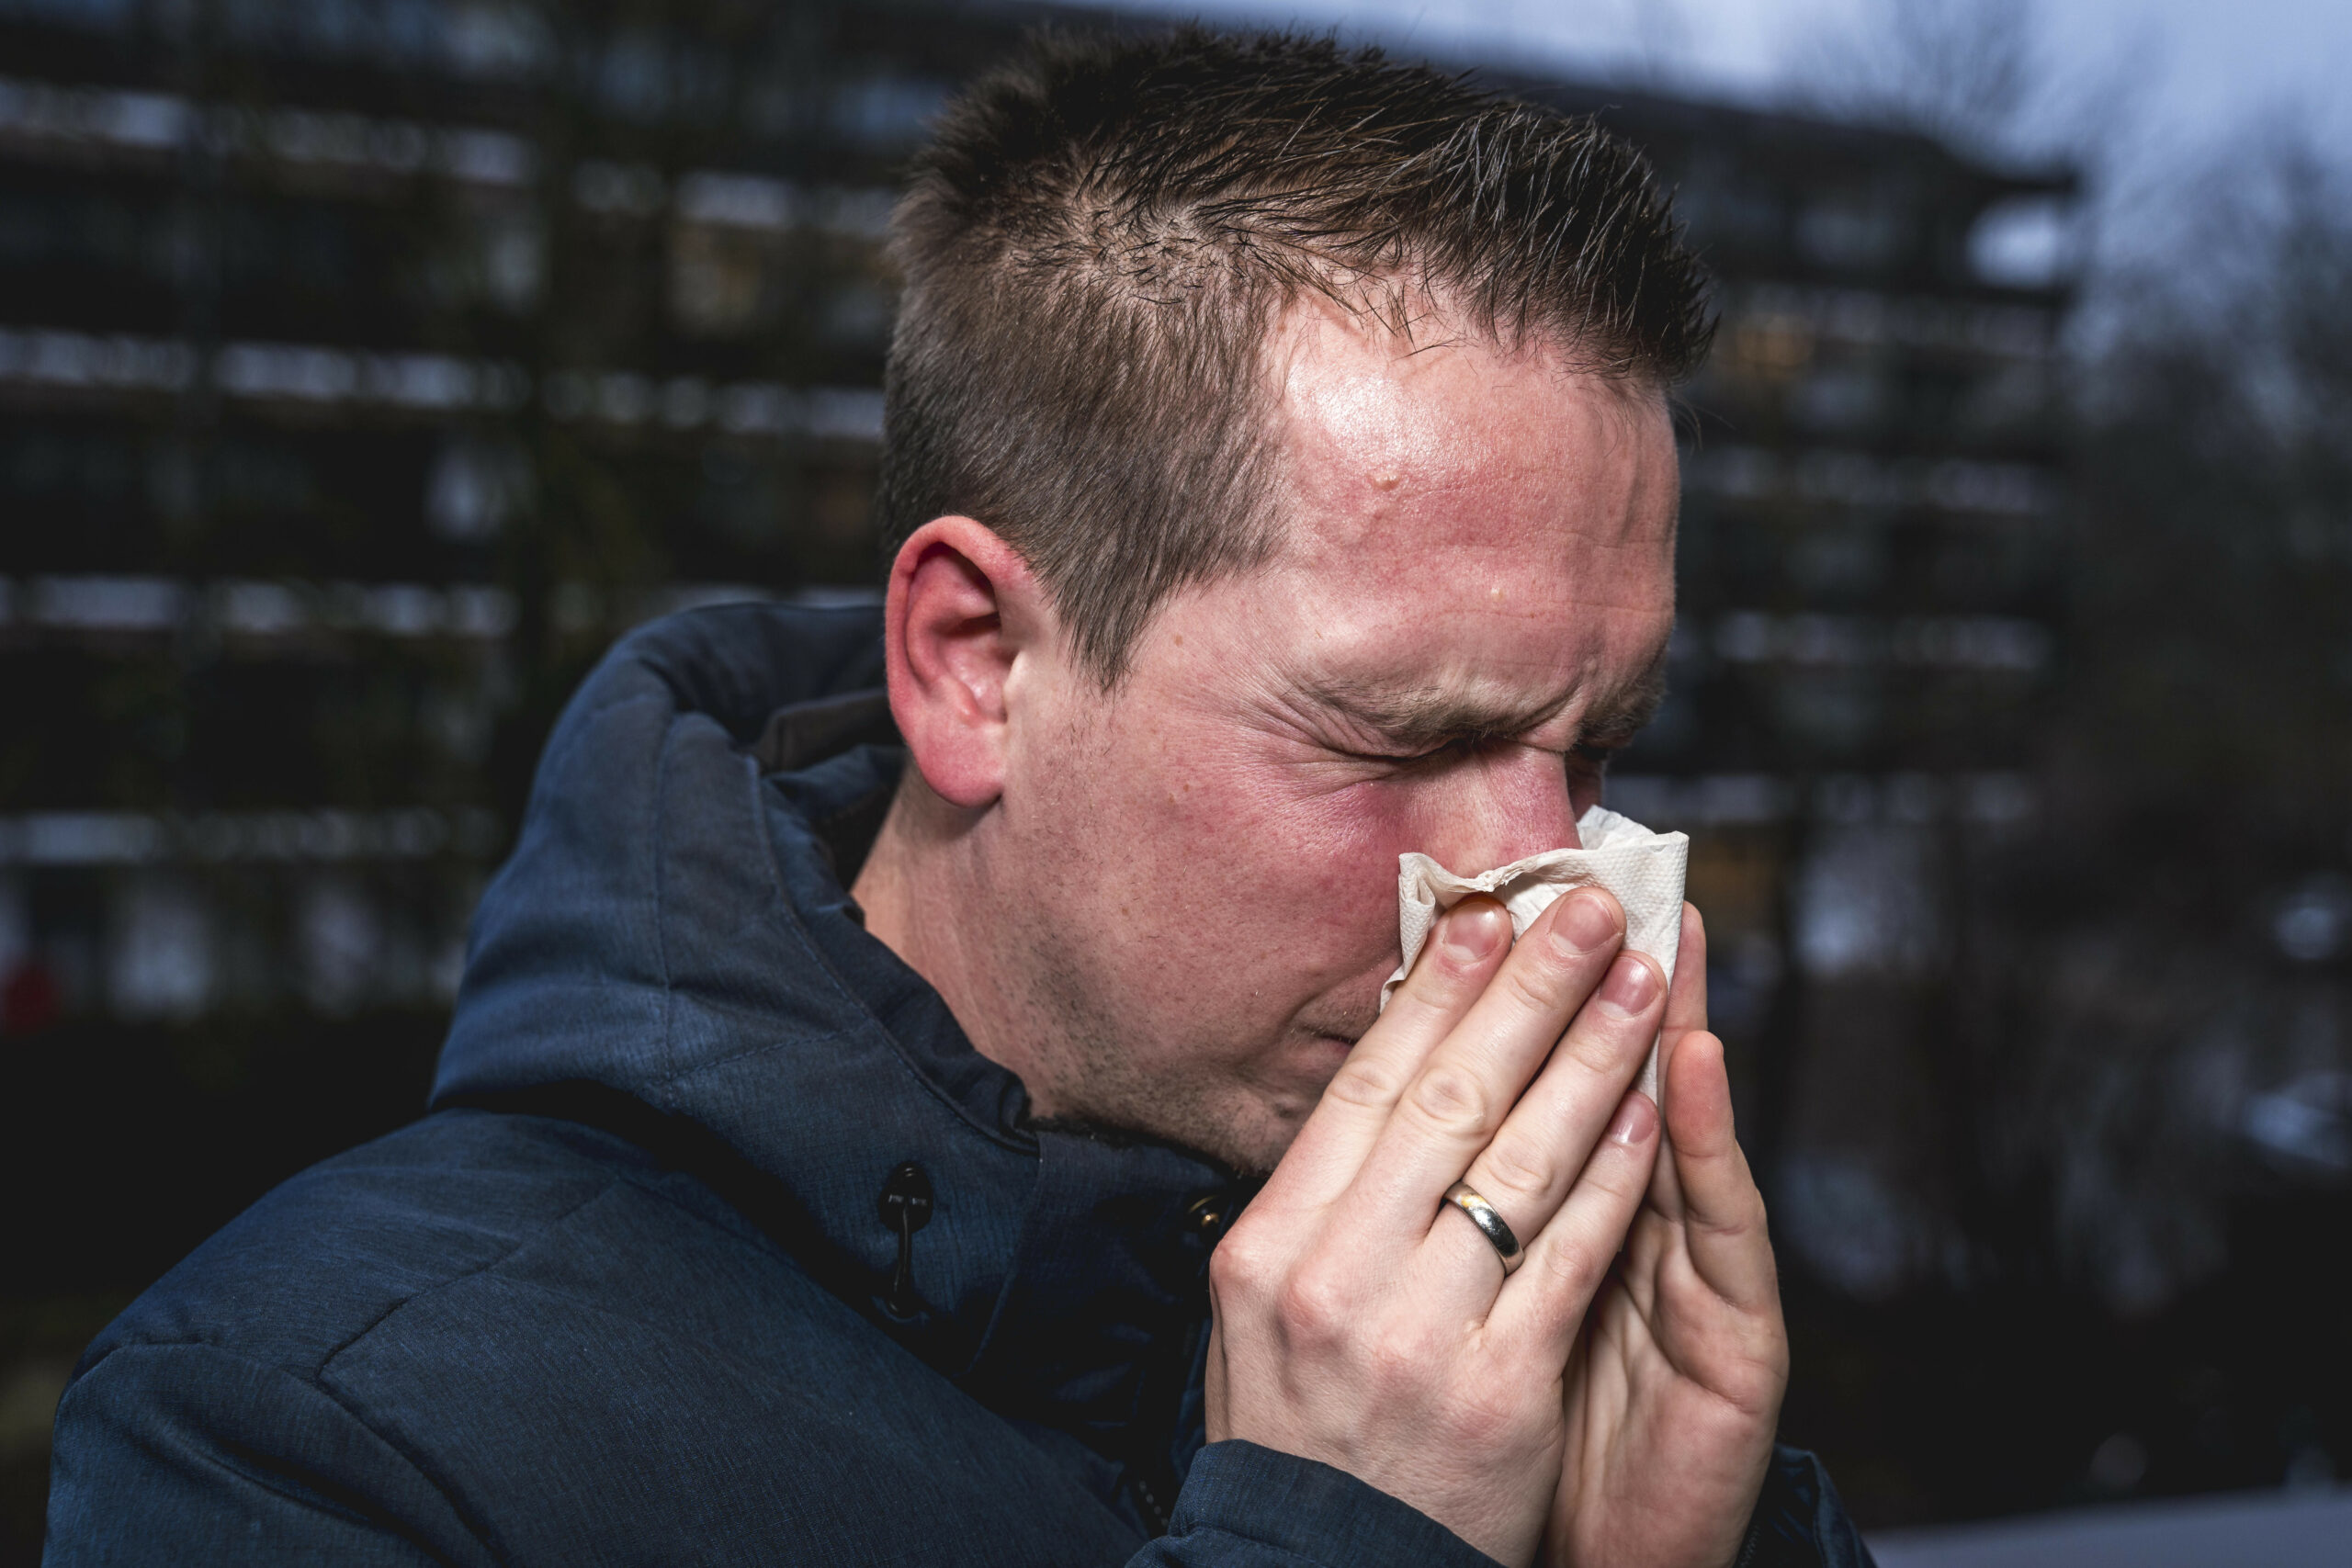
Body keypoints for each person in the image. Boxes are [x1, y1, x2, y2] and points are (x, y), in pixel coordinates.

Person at [43, 30, 1872, 1568]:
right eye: (1393, 743)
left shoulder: (1526, 1378)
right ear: (974, 663)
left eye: (1598, 749)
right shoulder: (306, 1433)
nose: (1542, 890)